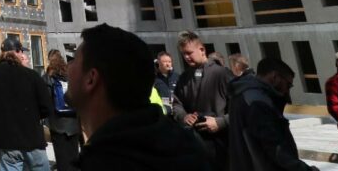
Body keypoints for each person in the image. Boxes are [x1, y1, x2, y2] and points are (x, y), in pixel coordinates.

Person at [67, 23, 211, 170]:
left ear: (91, 79)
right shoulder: (186, 147)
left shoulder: (103, 162)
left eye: (73, 60)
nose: (67, 66)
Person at [228, 56, 318, 171]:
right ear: (275, 77)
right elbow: (275, 149)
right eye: (288, 85)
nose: (287, 91)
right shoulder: (258, 102)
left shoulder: (243, 94)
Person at [0, 37, 51, 171]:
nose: (23, 55)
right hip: (32, 138)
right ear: (17, 52)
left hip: (6, 139)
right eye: (21, 52)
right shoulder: (32, 75)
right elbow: (47, 107)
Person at [171, 30, 231, 169]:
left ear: (202, 49)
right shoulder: (184, 77)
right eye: (183, 54)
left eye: (189, 52)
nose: (186, 57)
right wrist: (184, 116)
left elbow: (241, 108)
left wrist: (221, 122)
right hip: (194, 145)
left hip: (222, 145)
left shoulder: (222, 74)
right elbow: (177, 104)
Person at [43, 50, 80, 169]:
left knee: (61, 156)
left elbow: (45, 99)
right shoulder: (71, 73)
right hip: (73, 122)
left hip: (57, 123)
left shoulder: (48, 76)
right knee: (74, 154)